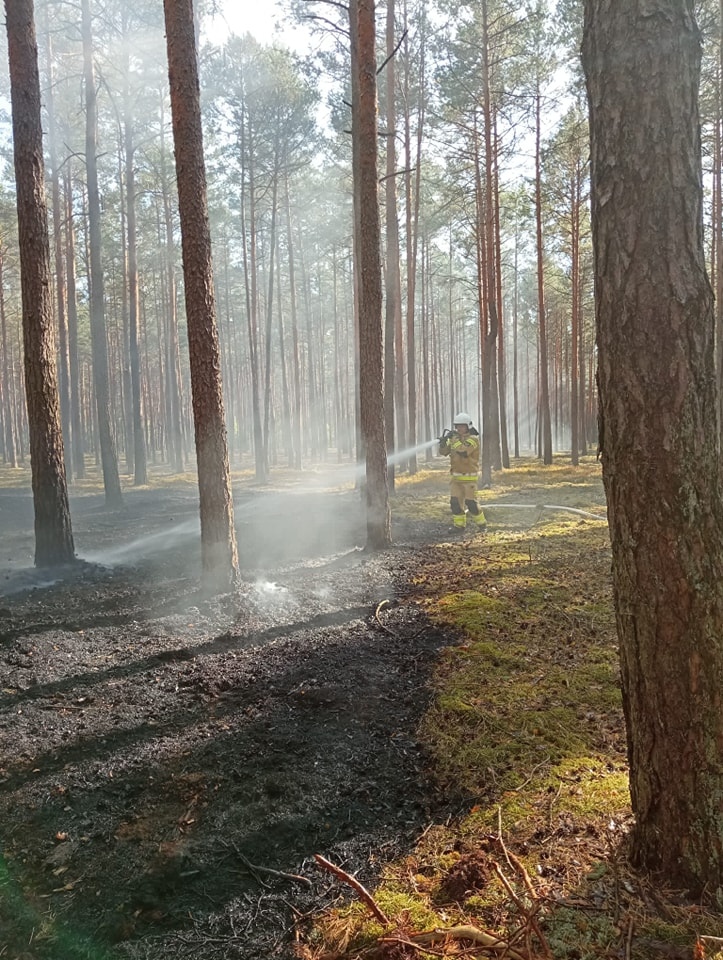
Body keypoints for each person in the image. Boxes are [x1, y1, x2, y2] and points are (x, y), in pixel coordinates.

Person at [438, 413, 487, 532]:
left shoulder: (473, 439)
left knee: (471, 504)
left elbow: (463, 451)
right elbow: (444, 452)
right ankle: (459, 526)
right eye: (457, 426)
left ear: (468, 426)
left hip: (469, 479)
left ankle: (482, 525)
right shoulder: (455, 440)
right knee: (455, 503)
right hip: (456, 480)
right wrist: (444, 443)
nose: (459, 428)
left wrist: (453, 439)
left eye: (462, 426)